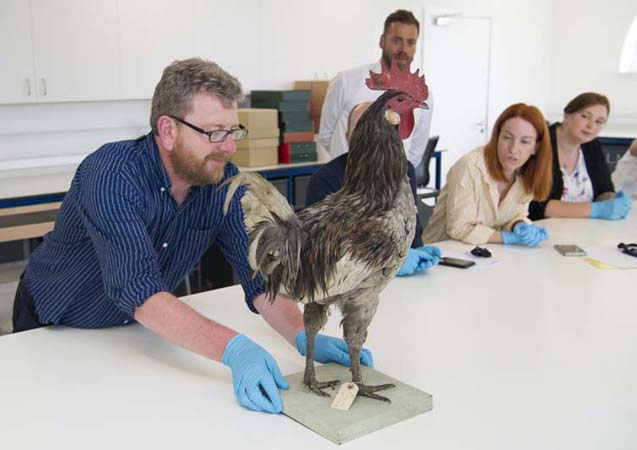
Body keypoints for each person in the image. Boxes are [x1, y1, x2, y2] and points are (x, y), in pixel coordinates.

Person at [12, 58, 371, 414]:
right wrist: (234, 349)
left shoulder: (222, 184)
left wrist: (301, 336)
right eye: (215, 133)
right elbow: (143, 293)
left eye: (234, 131)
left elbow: (259, 279)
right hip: (54, 326)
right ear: (168, 131)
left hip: (131, 334)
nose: (229, 147)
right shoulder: (110, 176)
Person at [307, 102, 440, 275]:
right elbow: (323, 255)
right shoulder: (325, 179)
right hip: (351, 288)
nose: (373, 137)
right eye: (363, 130)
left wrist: (417, 254)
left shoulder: (404, 171)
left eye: (381, 129)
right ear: (348, 138)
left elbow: (412, 237)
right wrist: (386, 264)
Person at [422, 103, 553, 246]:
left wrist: (519, 224)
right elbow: (459, 228)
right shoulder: (469, 166)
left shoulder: (527, 172)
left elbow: (514, 215)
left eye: (525, 142)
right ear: (497, 137)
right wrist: (507, 238)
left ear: (536, 147)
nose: (514, 149)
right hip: (443, 253)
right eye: (507, 138)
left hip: (485, 254)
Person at [319, 9, 433, 168]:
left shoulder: (422, 96)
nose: (403, 49)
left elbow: (417, 149)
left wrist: (395, 178)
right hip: (347, 181)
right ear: (382, 41)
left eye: (410, 42)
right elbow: (326, 136)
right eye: (396, 40)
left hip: (393, 184)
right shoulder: (346, 81)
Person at [528, 93, 632, 220]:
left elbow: (604, 189)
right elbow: (536, 207)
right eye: (585, 116)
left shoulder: (591, 145)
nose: (591, 126)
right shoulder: (541, 145)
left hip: (584, 230)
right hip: (544, 231)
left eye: (599, 121)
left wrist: (612, 199)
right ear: (567, 115)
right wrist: (596, 209)